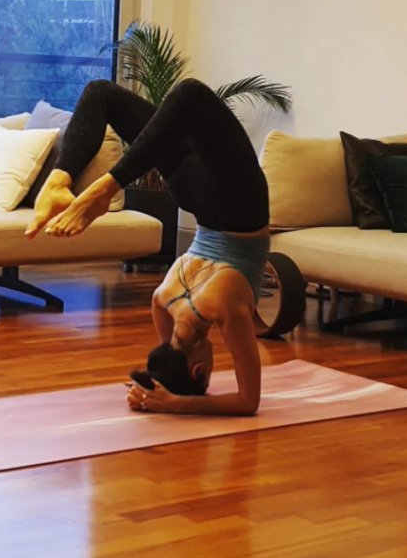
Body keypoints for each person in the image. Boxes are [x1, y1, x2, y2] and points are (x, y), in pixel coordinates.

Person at [25, 78, 270, 416]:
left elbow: (247, 401)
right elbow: (239, 399)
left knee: (191, 96)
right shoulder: (162, 302)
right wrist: (168, 398)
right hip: (197, 200)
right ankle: (63, 179)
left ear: (199, 371)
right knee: (103, 94)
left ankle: (91, 186)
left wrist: (179, 403)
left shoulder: (224, 311)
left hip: (239, 207)